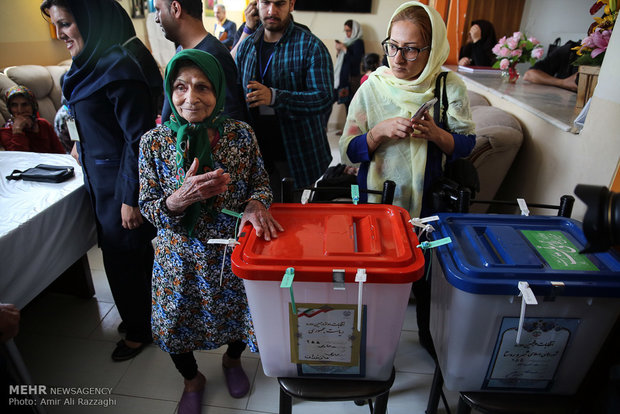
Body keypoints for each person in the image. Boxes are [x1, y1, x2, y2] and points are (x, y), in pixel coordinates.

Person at [138, 49, 282, 412]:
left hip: (230, 253)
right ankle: (192, 379)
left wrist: (254, 204)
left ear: (218, 91)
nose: (191, 97)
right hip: (178, 259)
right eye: (181, 87)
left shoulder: (241, 135)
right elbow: (148, 206)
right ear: (170, 91)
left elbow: (260, 183)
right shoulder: (153, 143)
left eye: (203, 86)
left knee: (238, 316)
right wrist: (177, 200)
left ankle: (232, 361)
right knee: (173, 327)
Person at [339, 1, 476, 355]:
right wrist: (377, 133)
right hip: (378, 202)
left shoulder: (449, 87)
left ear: (432, 50)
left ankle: (430, 340)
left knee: (429, 280)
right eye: (393, 46)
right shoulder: (373, 87)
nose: (398, 59)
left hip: (432, 205)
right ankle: (369, 349)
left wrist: (436, 134)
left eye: (412, 49)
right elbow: (347, 150)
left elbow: (466, 146)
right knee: (375, 279)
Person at [40, 0, 162, 361]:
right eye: (56, 25)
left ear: (91, 21)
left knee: (122, 259)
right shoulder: (89, 66)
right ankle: (145, 316)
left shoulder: (119, 69)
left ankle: (139, 332)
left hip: (120, 184)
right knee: (131, 255)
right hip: (100, 178)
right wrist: (79, 144)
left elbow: (138, 138)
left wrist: (130, 197)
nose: (61, 34)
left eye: (66, 24)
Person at [235, 0, 334, 201]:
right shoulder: (247, 46)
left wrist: (275, 97)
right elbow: (235, 95)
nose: (271, 11)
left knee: (292, 216)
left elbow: (323, 98)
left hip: (297, 153)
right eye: (266, 3)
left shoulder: (310, 46)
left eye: (279, 3)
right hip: (258, 154)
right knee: (263, 212)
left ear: (291, 4)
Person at [154, 0, 246, 123]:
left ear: (176, 9)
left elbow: (229, 119)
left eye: (158, 10)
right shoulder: (181, 50)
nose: (156, 18)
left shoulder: (214, 55)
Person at [0, 85, 65, 153]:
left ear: (33, 106)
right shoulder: (6, 132)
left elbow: (61, 153)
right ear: (10, 109)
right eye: (14, 105)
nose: (20, 110)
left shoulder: (43, 125)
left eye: (25, 104)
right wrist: (18, 130)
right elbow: (19, 159)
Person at [334, 19, 365, 108]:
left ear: (355, 30)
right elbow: (343, 60)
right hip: (343, 77)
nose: (347, 33)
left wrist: (344, 48)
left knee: (350, 105)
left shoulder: (358, 42)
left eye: (349, 30)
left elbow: (355, 60)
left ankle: (350, 122)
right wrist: (339, 51)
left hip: (351, 78)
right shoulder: (347, 42)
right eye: (345, 31)